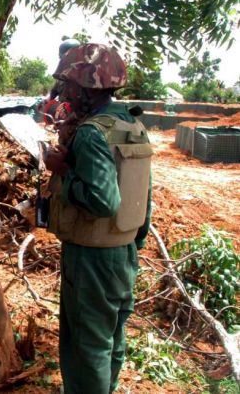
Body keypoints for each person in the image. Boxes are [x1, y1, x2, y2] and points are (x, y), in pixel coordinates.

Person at [43, 44, 153, 393]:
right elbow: (143, 194)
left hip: (91, 257)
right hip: (123, 252)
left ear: (83, 86)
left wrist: (63, 169)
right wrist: (133, 244)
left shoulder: (92, 133)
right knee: (111, 340)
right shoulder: (130, 124)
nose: (64, 93)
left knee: (85, 347)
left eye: (67, 86)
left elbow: (103, 201)